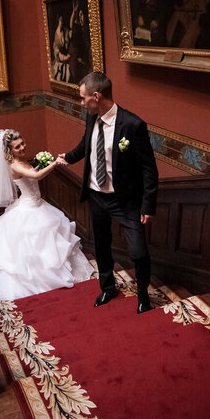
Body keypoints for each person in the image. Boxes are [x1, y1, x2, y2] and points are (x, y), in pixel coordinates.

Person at [59, 72, 158, 314]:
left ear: (96, 96)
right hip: (96, 195)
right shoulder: (91, 117)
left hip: (125, 200)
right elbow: (86, 143)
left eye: (83, 98)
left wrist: (148, 205)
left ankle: (143, 295)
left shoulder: (132, 125)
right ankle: (107, 287)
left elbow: (149, 168)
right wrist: (68, 158)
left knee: (138, 252)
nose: (81, 103)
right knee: (102, 245)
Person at [0, 129, 94, 301]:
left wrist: (45, 165)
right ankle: (38, 279)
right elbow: (36, 175)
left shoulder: (22, 160)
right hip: (29, 208)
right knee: (34, 244)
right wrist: (54, 163)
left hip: (38, 204)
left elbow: (35, 177)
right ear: (9, 151)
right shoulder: (15, 165)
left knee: (53, 235)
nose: (22, 147)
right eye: (17, 147)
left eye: (22, 143)